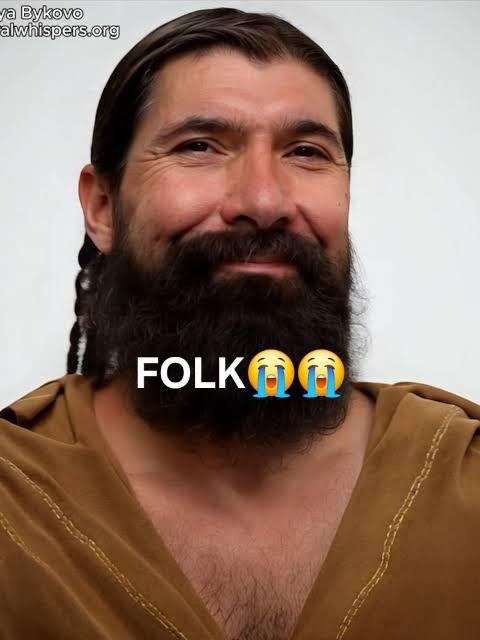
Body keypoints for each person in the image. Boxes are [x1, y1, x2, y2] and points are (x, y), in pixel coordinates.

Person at [1, 7, 479, 640]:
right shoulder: (14, 501)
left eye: (306, 152)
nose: (263, 200)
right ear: (103, 207)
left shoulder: (463, 482)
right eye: (199, 146)